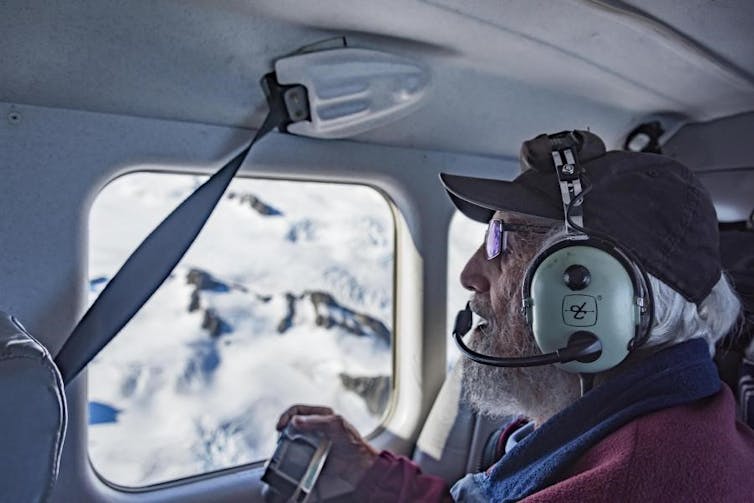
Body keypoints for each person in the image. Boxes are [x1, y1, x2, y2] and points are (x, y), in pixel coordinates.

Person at [275, 130, 754, 502]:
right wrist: (365, 470)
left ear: (595, 290)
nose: (469, 274)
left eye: (503, 244)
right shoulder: (597, 422)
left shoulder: (633, 481)